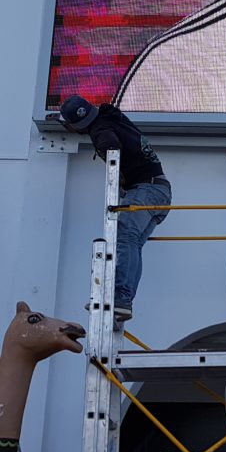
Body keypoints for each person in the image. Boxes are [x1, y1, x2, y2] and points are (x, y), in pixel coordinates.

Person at [58, 96, 171, 321]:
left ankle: (120, 297)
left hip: (145, 190)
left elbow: (111, 145)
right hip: (159, 191)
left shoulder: (100, 129)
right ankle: (123, 299)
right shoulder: (111, 117)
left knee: (125, 237)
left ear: (77, 124)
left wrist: (112, 167)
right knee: (132, 243)